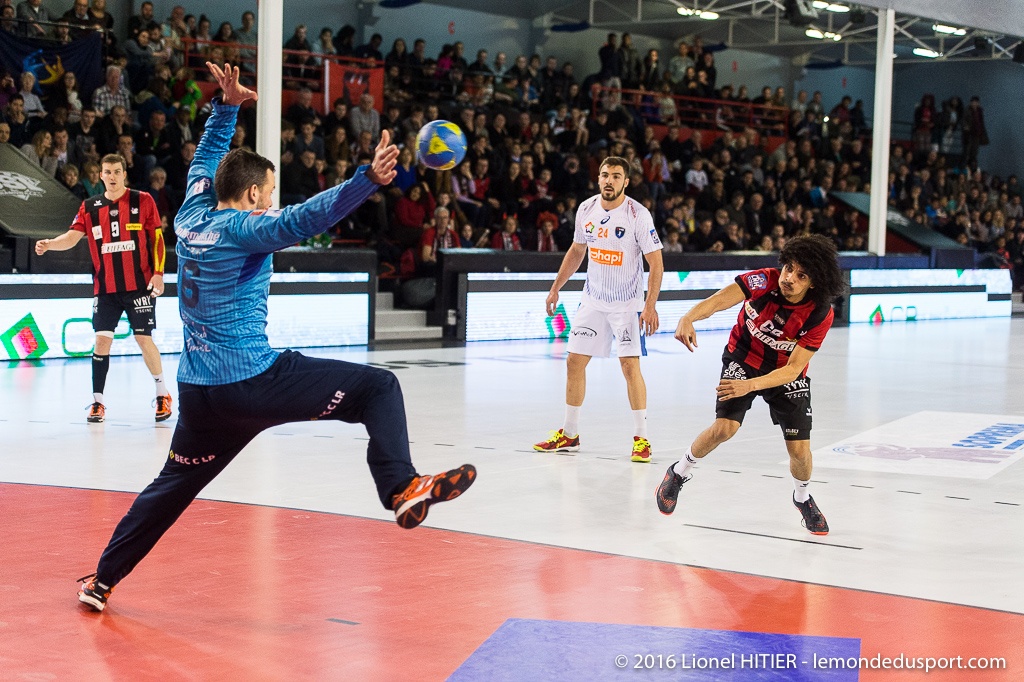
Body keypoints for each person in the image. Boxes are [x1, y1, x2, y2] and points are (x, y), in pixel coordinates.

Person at [74, 64, 476, 613]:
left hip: (200, 392)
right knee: (378, 389)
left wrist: (227, 105)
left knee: (171, 488)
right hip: (253, 381)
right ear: (255, 193)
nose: (271, 202)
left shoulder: (191, 213)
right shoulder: (246, 228)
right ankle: (401, 487)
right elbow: (303, 220)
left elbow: (204, 160)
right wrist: (366, 180)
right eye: (268, 193)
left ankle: (102, 579)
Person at [656, 234, 845, 535]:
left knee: (799, 451)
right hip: (743, 357)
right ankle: (679, 472)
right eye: (788, 269)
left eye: (801, 276)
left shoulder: (820, 313)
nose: (789, 279)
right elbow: (719, 300)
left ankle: (802, 497)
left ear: (814, 283)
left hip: (784, 373)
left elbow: (795, 368)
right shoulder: (763, 281)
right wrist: (688, 317)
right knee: (724, 430)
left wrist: (751, 386)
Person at [533, 156, 664, 462]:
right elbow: (577, 250)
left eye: (616, 176)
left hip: (627, 304)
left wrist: (650, 305)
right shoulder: (586, 209)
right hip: (592, 300)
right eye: (605, 175)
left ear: (626, 182)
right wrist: (556, 287)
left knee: (630, 367)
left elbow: (656, 263)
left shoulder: (637, 214)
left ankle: (642, 439)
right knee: (574, 363)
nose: (609, 180)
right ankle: (569, 433)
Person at [34, 153, 172, 424]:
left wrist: (158, 274)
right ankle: (98, 403)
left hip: (139, 287)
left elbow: (157, 239)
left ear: (124, 174)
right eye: (106, 172)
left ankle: (161, 393)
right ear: (100, 176)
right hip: (106, 287)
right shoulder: (90, 206)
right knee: (101, 341)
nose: (111, 177)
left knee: (144, 339)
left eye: (116, 172)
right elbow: (72, 237)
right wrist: (50, 243)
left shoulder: (143, 200)